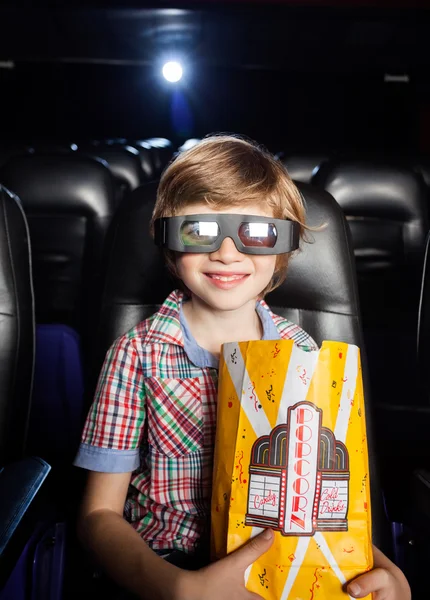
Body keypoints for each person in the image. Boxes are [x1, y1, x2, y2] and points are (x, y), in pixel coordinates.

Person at [74, 135, 411, 600]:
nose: (228, 253)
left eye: (255, 232)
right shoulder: (136, 353)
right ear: (169, 245)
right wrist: (178, 588)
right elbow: (98, 516)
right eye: (199, 231)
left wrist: (383, 567)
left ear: (283, 251)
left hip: (282, 565)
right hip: (167, 562)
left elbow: (329, 495)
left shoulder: (302, 354)